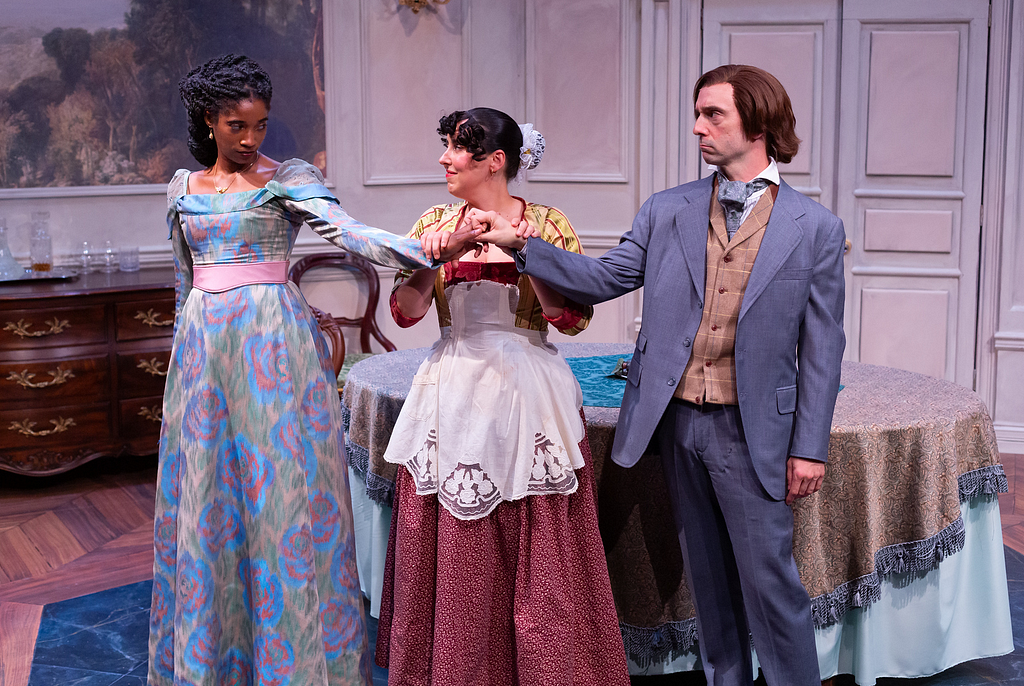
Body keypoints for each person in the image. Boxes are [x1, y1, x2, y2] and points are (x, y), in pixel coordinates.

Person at [472, 65, 846, 686]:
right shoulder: (668, 209)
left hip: (755, 430)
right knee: (708, 585)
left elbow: (824, 346)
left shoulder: (816, 228)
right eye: (696, 113)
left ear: (756, 122)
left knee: (771, 585)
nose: (697, 127)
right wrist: (522, 246)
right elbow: (604, 279)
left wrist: (810, 447)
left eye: (713, 114)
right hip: (678, 425)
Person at [148, 54, 472, 686]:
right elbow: (183, 286)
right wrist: (183, 368)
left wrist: (432, 248)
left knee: (282, 495)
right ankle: (217, 663)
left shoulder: (286, 179)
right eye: (237, 126)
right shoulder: (181, 189)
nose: (249, 139)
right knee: (210, 497)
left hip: (273, 350)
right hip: (202, 358)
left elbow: (352, 235)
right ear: (208, 121)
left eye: (260, 125)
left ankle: (293, 665)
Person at [374, 107, 630, 686]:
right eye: (444, 145)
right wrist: (439, 252)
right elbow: (405, 312)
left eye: (457, 148)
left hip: (528, 386)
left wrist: (524, 250)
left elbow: (571, 321)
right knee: (456, 538)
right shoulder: (436, 221)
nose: (444, 158)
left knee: (537, 539)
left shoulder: (547, 222)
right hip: (453, 381)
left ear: (495, 160)